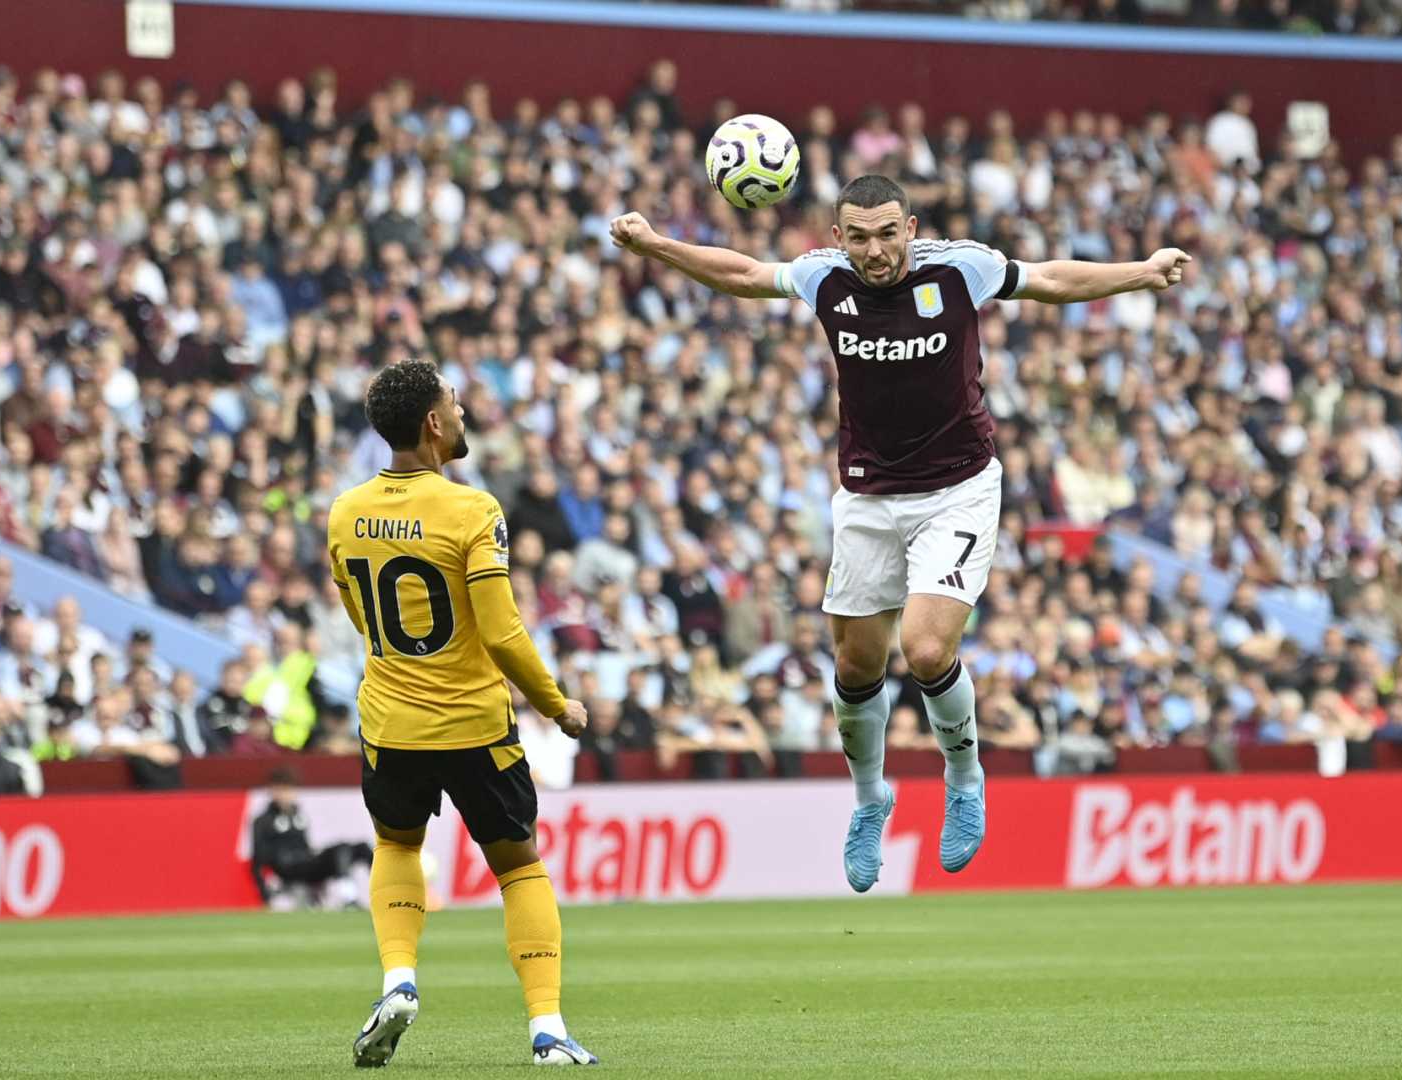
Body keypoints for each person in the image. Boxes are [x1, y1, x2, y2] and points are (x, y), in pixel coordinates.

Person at [610, 175, 1188, 891]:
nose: (876, 250)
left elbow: (1047, 279)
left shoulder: (959, 268)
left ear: (910, 227)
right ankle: (870, 799)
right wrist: (656, 244)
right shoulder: (824, 279)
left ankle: (965, 778)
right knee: (855, 668)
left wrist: (1140, 271)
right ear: (837, 238)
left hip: (958, 491)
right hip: (867, 498)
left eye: (888, 233)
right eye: (859, 236)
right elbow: (745, 274)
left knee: (923, 648)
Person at [326, 360, 597, 1066]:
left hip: (390, 722)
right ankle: (548, 1031)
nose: (465, 411)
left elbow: (361, 617)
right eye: (455, 402)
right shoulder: (473, 510)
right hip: (475, 723)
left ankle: (399, 980)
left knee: (397, 846)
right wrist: (557, 706)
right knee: (518, 869)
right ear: (433, 423)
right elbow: (503, 632)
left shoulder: (346, 510)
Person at [249, 767, 372, 906]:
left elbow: (305, 845)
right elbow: (257, 859)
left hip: (307, 862)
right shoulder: (263, 821)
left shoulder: (299, 816)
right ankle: (348, 897)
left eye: (289, 789)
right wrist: (264, 894)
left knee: (360, 847)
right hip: (288, 868)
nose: (286, 794)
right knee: (340, 850)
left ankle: (382, 891)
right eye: (281, 789)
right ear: (272, 790)